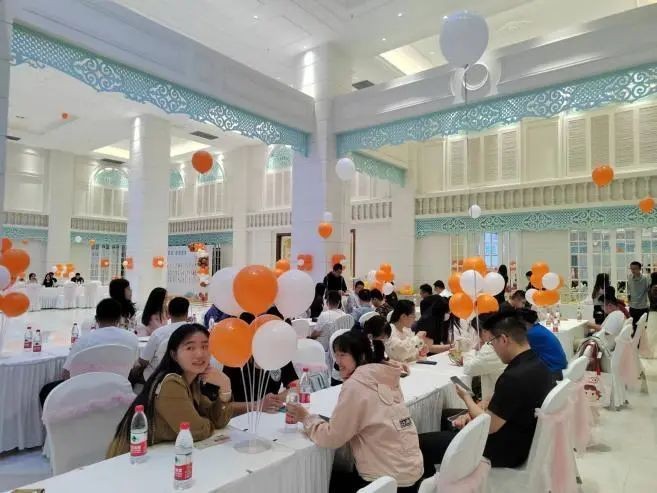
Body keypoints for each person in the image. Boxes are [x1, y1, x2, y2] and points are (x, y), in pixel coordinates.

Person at [286, 330, 423, 492]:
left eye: (343, 355)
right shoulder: (384, 375)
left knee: (321, 481)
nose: (337, 362)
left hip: (383, 479)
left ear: (362, 356)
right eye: (336, 355)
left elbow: (332, 437)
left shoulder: (356, 384)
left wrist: (306, 418)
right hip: (412, 471)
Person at [419, 315, 555, 472]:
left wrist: (467, 398)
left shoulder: (513, 377)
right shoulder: (538, 362)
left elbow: (489, 425)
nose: (492, 348)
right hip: (521, 433)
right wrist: (473, 411)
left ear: (503, 339)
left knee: (420, 445)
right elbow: (502, 401)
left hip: (504, 448)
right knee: (446, 415)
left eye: (491, 343)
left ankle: (439, 478)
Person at [107, 323, 232, 457]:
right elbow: (196, 431)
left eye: (205, 346)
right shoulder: (171, 384)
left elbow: (217, 419)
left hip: (159, 454)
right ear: (174, 355)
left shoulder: (191, 381)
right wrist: (206, 421)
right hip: (133, 458)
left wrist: (225, 385)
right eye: (190, 348)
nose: (200, 354)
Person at [39, 299, 140, 406]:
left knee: (46, 390)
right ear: (120, 318)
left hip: (84, 395)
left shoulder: (83, 341)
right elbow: (134, 367)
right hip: (117, 391)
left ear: (96, 319)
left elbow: (66, 375)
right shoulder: (132, 339)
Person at [132, 297, 191, 382]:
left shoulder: (159, 333)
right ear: (187, 313)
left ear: (169, 313)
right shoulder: (194, 332)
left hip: (157, 378)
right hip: (185, 378)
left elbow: (144, 361)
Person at [222, 358, 298, 416]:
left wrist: (275, 399)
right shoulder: (235, 357)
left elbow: (296, 386)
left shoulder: (280, 354)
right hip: (240, 420)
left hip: (269, 417)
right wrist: (257, 405)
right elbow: (222, 407)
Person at [462, 317, 506, 401]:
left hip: (495, 399)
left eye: (477, 332)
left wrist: (473, 350)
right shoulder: (503, 340)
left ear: (484, 331)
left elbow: (469, 368)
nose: (477, 335)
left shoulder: (491, 347)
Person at [516, 309, 567, 380]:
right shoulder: (538, 328)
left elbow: (520, 354)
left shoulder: (531, 334)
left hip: (553, 372)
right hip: (558, 367)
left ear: (522, 322)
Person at [627, 261, 650, 332]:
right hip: (632, 307)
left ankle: (641, 339)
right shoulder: (629, 277)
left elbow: (649, 290)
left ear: (640, 269)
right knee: (633, 327)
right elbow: (629, 289)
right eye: (631, 268)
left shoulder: (645, 278)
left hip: (643, 307)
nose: (633, 270)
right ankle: (635, 339)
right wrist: (629, 299)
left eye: (635, 268)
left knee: (642, 328)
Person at [640, 285, 657, 358]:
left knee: (651, 332)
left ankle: (649, 351)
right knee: (653, 333)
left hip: (651, 312)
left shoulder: (650, 290)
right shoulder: (653, 290)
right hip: (654, 312)